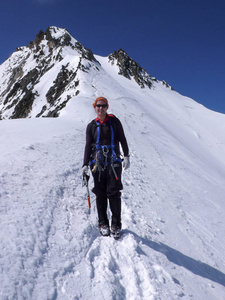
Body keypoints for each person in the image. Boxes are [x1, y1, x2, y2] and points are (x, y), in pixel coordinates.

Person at [82, 96, 130, 238]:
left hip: (114, 161)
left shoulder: (114, 122)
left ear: (107, 107)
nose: (100, 108)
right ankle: (103, 222)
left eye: (103, 106)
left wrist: (126, 155)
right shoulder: (91, 126)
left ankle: (116, 224)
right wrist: (84, 164)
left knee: (113, 192)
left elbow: (122, 138)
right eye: (98, 106)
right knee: (100, 192)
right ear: (94, 107)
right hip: (97, 163)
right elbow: (87, 145)